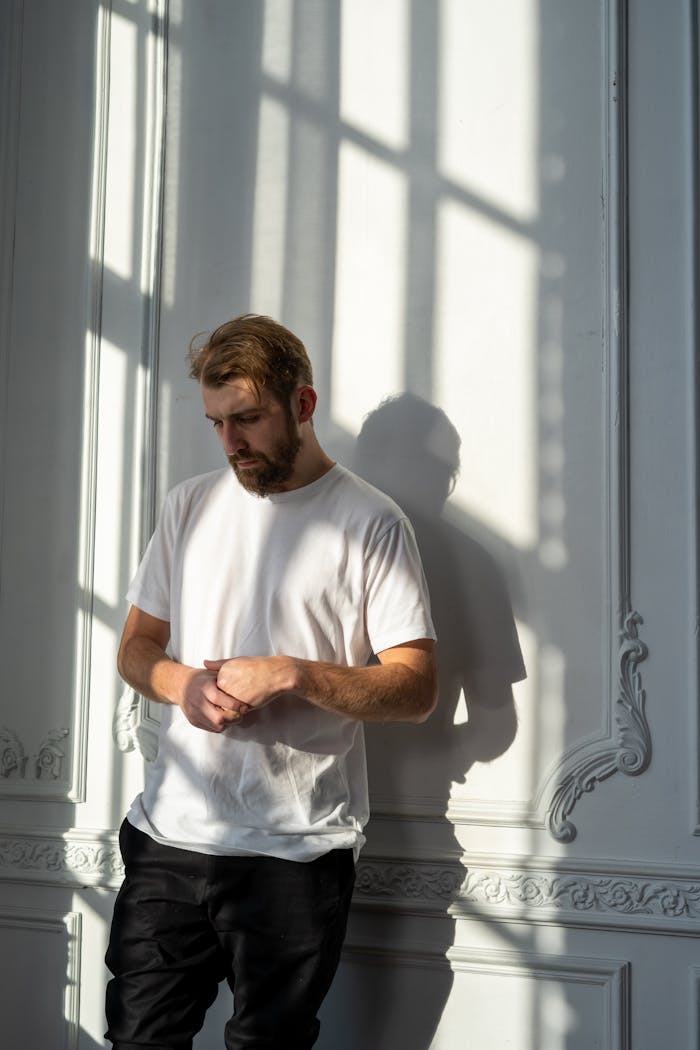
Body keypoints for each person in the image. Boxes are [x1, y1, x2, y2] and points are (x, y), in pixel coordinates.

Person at [105, 314, 438, 1050]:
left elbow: (416, 688)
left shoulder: (370, 522)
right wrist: (179, 683)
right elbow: (136, 646)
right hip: (169, 838)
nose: (231, 443)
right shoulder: (188, 506)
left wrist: (295, 672)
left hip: (295, 853)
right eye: (217, 422)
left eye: (248, 419)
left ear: (303, 404)